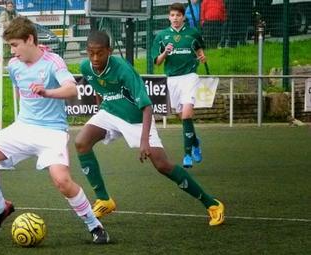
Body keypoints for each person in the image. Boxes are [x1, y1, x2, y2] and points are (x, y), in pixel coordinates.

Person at [0, 16, 110, 243]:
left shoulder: (53, 62)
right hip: (23, 127)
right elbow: (20, 92)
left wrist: (47, 92)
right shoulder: (15, 66)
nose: (12, 52)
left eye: (15, 45)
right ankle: (0, 208)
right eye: (10, 46)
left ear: (30, 39)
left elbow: (71, 90)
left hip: (52, 132)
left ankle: (95, 227)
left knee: (62, 181)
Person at [75, 30, 225, 227]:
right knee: (81, 142)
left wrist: (144, 140)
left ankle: (212, 204)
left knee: (162, 165)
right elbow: (98, 86)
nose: (94, 58)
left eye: (100, 53)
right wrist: (99, 108)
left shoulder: (122, 69)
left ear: (109, 51)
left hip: (137, 118)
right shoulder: (86, 67)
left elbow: (147, 106)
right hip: (110, 112)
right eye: (90, 53)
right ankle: (104, 200)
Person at [152, 3, 205, 168]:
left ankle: (187, 155)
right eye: (172, 15)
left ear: (183, 17)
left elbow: (200, 51)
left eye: (178, 15)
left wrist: (202, 57)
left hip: (190, 77)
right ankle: (195, 141)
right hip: (172, 79)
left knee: (187, 114)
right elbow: (157, 62)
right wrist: (165, 53)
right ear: (169, 17)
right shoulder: (162, 36)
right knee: (180, 115)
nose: (175, 18)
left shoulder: (193, 33)